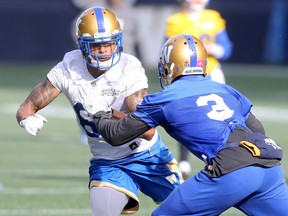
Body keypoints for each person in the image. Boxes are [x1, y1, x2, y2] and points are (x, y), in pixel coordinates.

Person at [93, 34, 288, 215]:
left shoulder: (164, 99)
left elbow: (116, 135)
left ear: (169, 65)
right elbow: (258, 130)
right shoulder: (227, 90)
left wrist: (100, 113)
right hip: (268, 167)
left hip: (232, 169)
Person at [16, 7, 183, 216]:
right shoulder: (68, 68)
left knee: (188, 210)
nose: (104, 50)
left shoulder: (128, 67)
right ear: (82, 46)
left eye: (109, 43)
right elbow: (26, 108)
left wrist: (107, 113)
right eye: (96, 46)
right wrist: (25, 119)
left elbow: (146, 130)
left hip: (146, 155)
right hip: (108, 162)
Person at [163, 0, 233, 177]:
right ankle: (184, 159)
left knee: (221, 119)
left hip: (211, 72)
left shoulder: (213, 17)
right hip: (185, 75)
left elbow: (227, 49)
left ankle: (220, 157)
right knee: (186, 117)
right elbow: (167, 50)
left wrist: (213, 49)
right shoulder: (175, 20)